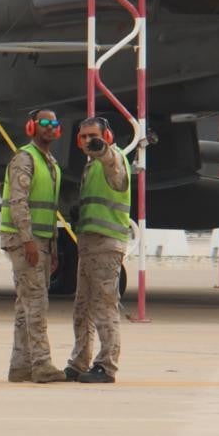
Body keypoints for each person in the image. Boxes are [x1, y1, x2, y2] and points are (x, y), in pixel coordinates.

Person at [0, 109, 68, 384]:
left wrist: (50, 247)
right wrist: (28, 240)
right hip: (23, 240)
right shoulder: (25, 158)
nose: (50, 127)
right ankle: (42, 364)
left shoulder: (49, 162)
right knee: (36, 302)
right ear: (32, 127)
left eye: (54, 123)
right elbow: (19, 201)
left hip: (39, 240)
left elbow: (49, 209)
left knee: (25, 305)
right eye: (44, 123)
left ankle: (20, 366)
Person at [67, 116, 130, 384]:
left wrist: (103, 150)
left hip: (106, 244)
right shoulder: (90, 166)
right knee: (82, 307)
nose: (87, 141)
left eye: (93, 136)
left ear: (107, 136)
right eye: (83, 137)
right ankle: (79, 361)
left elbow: (116, 175)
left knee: (104, 307)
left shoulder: (111, 157)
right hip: (89, 244)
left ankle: (107, 365)